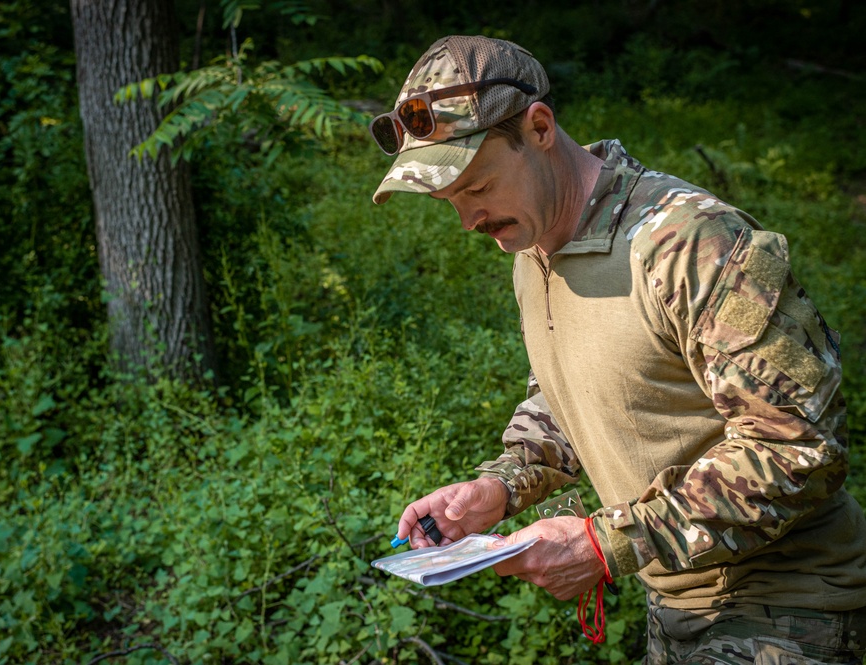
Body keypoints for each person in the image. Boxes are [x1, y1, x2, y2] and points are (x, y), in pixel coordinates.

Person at [371, 34, 866, 663]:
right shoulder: (531, 248)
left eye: (477, 187)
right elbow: (572, 395)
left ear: (540, 127)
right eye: (450, 202)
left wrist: (606, 544)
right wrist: (498, 489)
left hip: (787, 607)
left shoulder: (691, 245)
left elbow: (801, 448)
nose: (469, 220)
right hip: (675, 602)